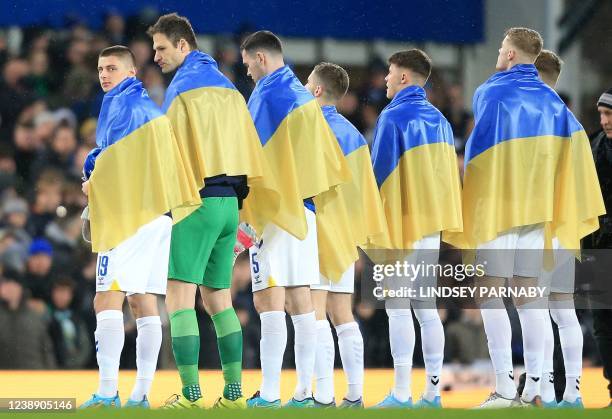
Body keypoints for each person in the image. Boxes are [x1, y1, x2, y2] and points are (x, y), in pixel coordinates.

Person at [446, 28, 604, 408]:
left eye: (501, 49)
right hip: (541, 216)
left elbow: (478, 157)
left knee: (488, 294)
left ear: (512, 55)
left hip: (500, 209)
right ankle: (537, 386)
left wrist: (473, 205)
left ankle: (504, 387)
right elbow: (576, 164)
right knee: (531, 300)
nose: (498, 55)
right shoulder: (556, 107)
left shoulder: (491, 92)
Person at [148, 13, 279, 409]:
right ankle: (234, 395)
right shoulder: (230, 89)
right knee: (219, 300)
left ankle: (189, 395)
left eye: (161, 48)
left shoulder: (182, 90)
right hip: (229, 207)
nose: (155, 56)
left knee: (178, 298)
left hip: (197, 202)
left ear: (183, 45)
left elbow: (168, 154)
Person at [80, 45, 200, 408]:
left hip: (130, 217)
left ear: (131, 72)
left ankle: (106, 392)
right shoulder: (149, 109)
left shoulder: (123, 107)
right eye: (101, 68)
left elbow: (118, 168)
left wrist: (92, 182)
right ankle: (141, 394)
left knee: (106, 300)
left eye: (112, 68)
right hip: (158, 217)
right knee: (143, 302)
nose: (104, 74)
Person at [241, 30, 352, 407]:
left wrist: (246, 218)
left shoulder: (267, 95)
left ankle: (270, 393)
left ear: (260, 58)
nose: (248, 74)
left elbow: (252, 159)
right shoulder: (305, 100)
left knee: (269, 302)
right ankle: (307, 393)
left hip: (275, 213)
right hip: (306, 212)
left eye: (247, 65)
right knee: (302, 302)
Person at [370, 49, 462, 408]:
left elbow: (379, 176)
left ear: (404, 77)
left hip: (401, 224)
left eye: (390, 73)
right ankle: (433, 393)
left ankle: (401, 392)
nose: (386, 79)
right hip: (430, 226)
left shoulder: (392, 117)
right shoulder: (440, 119)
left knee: (397, 306)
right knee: (426, 309)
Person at [305, 62, 388, 408]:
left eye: (307, 82)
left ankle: (323, 396)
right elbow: (365, 192)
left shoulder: (310, 130)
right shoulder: (354, 135)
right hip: (343, 235)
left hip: (315, 230)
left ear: (318, 90)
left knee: (314, 314)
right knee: (343, 315)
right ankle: (354, 394)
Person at [531, 49, 586, 408]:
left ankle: (545, 390)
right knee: (563, 312)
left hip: (538, 224)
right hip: (566, 223)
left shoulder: (533, 116)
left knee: (537, 309)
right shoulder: (572, 122)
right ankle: (574, 393)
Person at [587, 87, 612, 407]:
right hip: (599, 246)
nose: (605, 120)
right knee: (602, 324)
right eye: (602, 114)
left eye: (609, 114)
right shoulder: (594, 147)